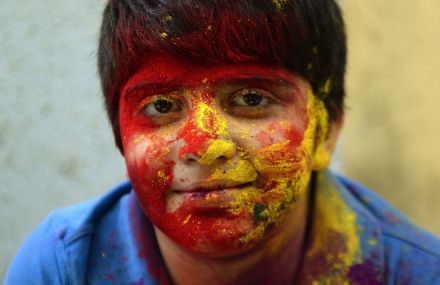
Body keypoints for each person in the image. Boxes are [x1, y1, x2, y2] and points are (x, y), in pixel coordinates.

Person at [5, 0, 440, 284]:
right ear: (121, 139)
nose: (202, 143)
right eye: (160, 107)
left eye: (252, 98)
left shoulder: (419, 273)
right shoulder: (62, 268)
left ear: (326, 132)